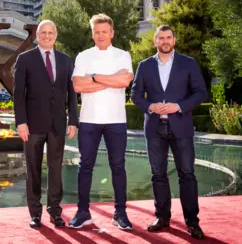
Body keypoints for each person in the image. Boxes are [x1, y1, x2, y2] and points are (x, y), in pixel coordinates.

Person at [130, 25, 207, 239]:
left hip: (180, 125)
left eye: (168, 37)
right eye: (161, 38)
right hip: (155, 127)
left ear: (174, 40)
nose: (165, 41)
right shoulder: (145, 66)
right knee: (158, 175)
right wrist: (150, 106)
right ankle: (162, 217)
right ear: (155, 41)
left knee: (187, 174)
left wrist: (179, 106)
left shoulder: (188, 63)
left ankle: (192, 222)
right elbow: (135, 94)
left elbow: (201, 92)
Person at [70, 14, 134, 230]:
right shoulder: (83, 56)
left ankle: (120, 213)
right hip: (89, 120)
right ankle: (83, 211)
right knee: (85, 167)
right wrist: (109, 79)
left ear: (112, 33)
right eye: (96, 32)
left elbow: (124, 80)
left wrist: (94, 77)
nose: (100, 35)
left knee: (118, 167)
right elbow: (78, 86)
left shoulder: (123, 55)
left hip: (116, 120)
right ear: (92, 33)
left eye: (104, 32)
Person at [13, 20, 79, 229]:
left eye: (51, 33)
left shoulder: (66, 60)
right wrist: (21, 122)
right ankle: (35, 213)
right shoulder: (25, 59)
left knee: (55, 170)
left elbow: (72, 94)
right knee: (33, 169)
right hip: (32, 126)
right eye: (43, 32)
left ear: (55, 35)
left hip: (57, 124)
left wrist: (73, 121)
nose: (47, 36)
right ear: (37, 35)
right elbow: (18, 95)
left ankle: (55, 211)